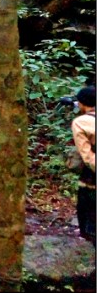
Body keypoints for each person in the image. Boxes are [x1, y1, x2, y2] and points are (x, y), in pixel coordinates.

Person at [71, 86, 95, 244]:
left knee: (89, 222)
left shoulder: (81, 122)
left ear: (81, 103)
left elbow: (87, 156)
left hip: (91, 180)